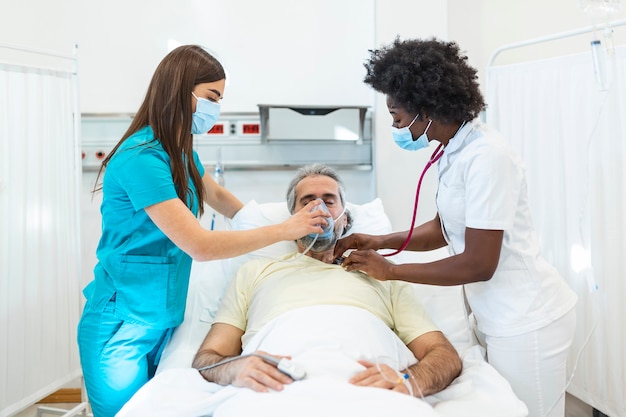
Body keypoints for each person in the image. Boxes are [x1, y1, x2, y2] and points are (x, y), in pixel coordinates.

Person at [77, 45, 328, 417]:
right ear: (180, 91)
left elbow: (222, 199)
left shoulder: (181, 152)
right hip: (121, 325)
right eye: (211, 97)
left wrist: (295, 226)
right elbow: (201, 246)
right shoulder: (141, 158)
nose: (216, 109)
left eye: (220, 99)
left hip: (162, 321)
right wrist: (284, 228)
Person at [335, 38, 578, 417]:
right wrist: (379, 239)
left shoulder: (486, 156)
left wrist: (392, 272)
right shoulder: (454, 149)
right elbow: (444, 228)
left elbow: (480, 262)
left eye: (397, 115)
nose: (395, 125)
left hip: (527, 319)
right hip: (494, 314)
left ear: (427, 107)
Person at [192, 163, 462, 398]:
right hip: (276, 388)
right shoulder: (254, 273)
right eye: (307, 201)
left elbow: (444, 355)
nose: (318, 208)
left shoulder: (383, 275)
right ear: (291, 222)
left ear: (344, 221)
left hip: (367, 388)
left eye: (329, 200)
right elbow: (207, 359)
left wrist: (410, 380)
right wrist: (234, 369)